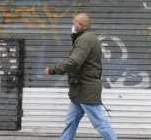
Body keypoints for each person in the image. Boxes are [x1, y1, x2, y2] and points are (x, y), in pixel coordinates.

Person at [43, 12, 118, 140]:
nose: (72, 26)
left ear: (80, 25)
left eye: (73, 23)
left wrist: (52, 69)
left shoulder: (84, 40)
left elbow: (74, 62)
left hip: (86, 89)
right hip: (80, 90)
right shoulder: (87, 38)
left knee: (100, 123)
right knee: (70, 122)